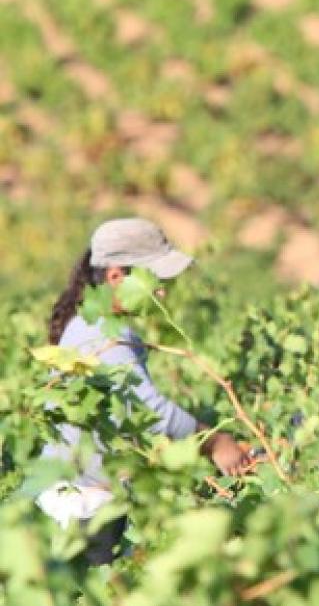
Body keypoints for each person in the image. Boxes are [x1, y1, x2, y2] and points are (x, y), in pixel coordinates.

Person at [37, 217, 251, 565]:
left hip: (73, 505)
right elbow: (149, 410)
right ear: (116, 276)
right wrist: (216, 443)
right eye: (154, 279)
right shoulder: (106, 335)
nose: (163, 292)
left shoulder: (85, 326)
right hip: (85, 512)